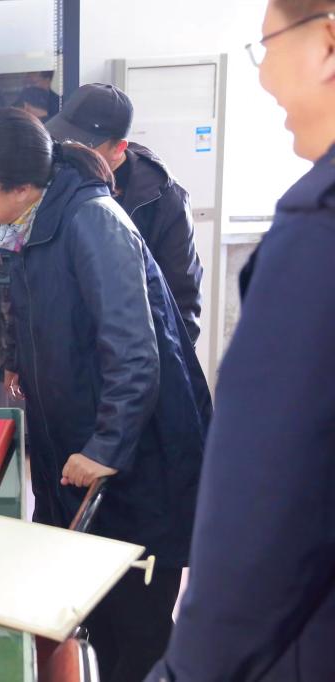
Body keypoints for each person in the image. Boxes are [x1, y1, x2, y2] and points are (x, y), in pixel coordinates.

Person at [0, 108, 211, 682]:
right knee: (86, 603)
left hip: (134, 454)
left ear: (22, 186)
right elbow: (43, 313)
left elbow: (135, 352)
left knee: (134, 620)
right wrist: (21, 362)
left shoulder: (92, 221)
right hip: (74, 438)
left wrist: (106, 447)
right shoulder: (32, 219)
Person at [147, 2, 335, 680]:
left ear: (328, 43)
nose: (262, 77)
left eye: (267, 46)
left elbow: (268, 510)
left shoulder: (318, 231)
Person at [45, 83, 203, 345]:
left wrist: (167, 363)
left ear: (119, 148)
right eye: (64, 139)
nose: (69, 151)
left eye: (83, 145)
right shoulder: (56, 179)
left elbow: (182, 299)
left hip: (132, 348)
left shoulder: (165, 201)